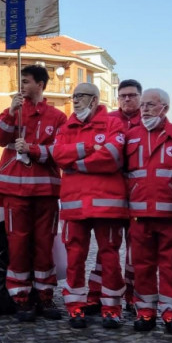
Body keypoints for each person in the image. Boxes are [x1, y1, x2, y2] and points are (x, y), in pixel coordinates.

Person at [0, 65, 66, 321]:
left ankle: (45, 297)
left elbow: (61, 152)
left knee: (45, 245)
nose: (22, 85)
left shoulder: (57, 117)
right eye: (20, 81)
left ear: (41, 85)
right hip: (15, 190)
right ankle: (21, 299)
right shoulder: (12, 111)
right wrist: (11, 113)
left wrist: (33, 149)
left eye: (27, 81)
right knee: (18, 244)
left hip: (45, 191)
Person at [52, 83, 128, 329]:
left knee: (110, 258)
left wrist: (76, 164)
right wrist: (86, 149)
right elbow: (58, 155)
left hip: (107, 206)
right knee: (75, 257)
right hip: (75, 205)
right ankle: (75, 307)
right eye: (73, 97)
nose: (75, 101)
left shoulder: (113, 124)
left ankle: (112, 308)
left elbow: (112, 157)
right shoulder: (66, 127)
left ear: (94, 100)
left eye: (80, 97)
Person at [125, 89, 172, 335]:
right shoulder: (130, 137)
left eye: (150, 105)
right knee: (142, 267)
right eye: (142, 105)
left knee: (171, 268)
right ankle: (145, 312)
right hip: (139, 215)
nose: (144, 109)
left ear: (165, 107)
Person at [84, 79, 142, 315]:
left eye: (132, 95)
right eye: (123, 96)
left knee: (135, 249)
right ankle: (97, 293)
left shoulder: (147, 121)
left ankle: (133, 295)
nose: (127, 99)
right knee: (107, 248)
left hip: (139, 194)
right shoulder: (108, 121)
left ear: (140, 96)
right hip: (112, 192)